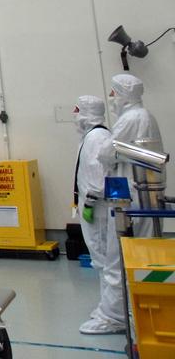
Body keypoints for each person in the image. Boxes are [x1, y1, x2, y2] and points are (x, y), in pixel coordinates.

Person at [73, 96, 126, 335]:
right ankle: (108, 308)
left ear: (85, 112)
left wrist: (90, 205)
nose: (74, 114)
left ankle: (114, 316)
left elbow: (97, 179)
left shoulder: (96, 138)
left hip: (99, 211)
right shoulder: (93, 136)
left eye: (77, 110)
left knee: (106, 260)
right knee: (102, 260)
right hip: (95, 208)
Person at [110, 73, 166, 237]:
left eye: (113, 93)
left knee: (133, 236)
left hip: (132, 185)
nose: (112, 97)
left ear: (123, 94)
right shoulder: (146, 115)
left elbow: (108, 150)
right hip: (147, 186)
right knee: (149, 232)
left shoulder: (130, 118)